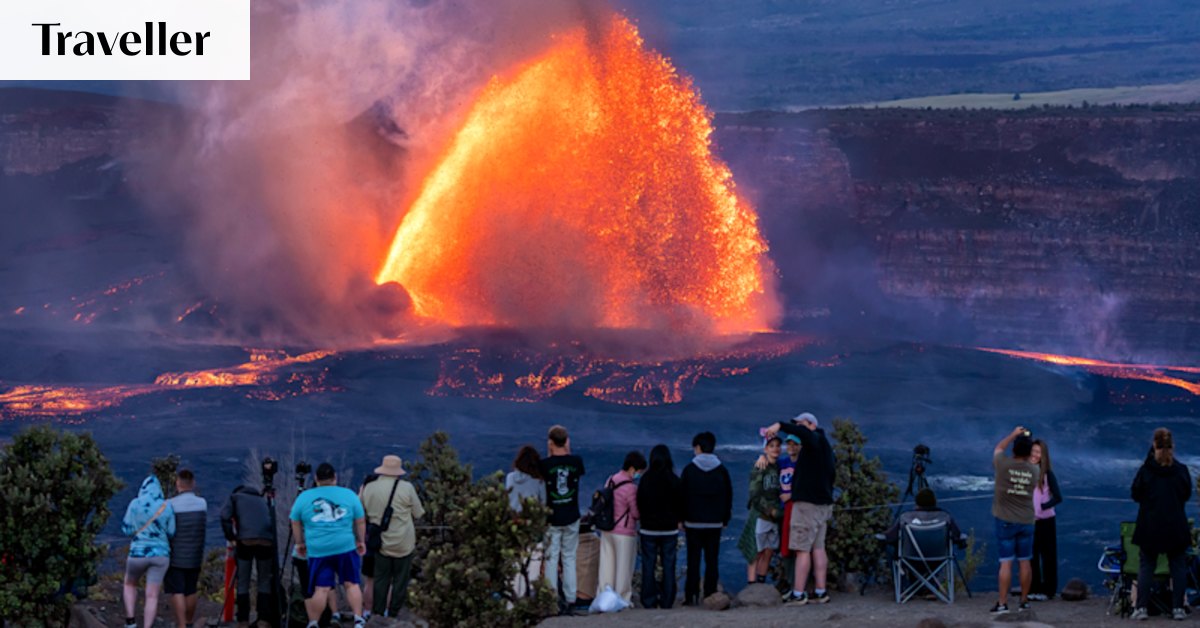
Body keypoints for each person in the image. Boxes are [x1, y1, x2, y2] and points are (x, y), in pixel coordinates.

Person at [765, 412, 835, 606]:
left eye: (800, 424)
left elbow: (803, 434)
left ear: (811, 425)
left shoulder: (813, 441)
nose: (797, 427)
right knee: (818, 548)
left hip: (807, 505)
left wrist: (780, 424)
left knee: (802, 549)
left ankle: (798, 593)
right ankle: (820, 592)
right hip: (823, 504)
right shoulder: (825, 446)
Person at [289, 462, 368, 628]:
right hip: (345, 546)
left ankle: (313, 622)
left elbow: (295, 521)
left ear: (316, 479)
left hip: (318, 549)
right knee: (351, 584)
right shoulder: (348, 495)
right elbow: (360, 520)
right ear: (335, 478)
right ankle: (358, 619)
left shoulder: (304, 497)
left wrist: (299, 543)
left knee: (321, 588)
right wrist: (360, 540)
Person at [1130, 428, 1192, 622]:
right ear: (1172, 446)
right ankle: (1178, 608)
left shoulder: (1146, 470)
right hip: (1175, 525)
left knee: (1147, 566)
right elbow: (1186, 494)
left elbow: (1135, 494)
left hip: (1150, 526)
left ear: (1153, 445)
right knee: (1178, 567)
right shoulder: (1181, 470)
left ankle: (1141, 608)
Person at [360, 455, 425, 618]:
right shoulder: (407, 488)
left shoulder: (369, 488)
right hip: (404, 542)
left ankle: (377, 613)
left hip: (381, 543)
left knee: (380, 579)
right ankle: (393, 613)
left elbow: (360, 512)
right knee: (400, 581)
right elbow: (418, 513)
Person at [989, 426, 1041, 615]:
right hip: (1027, 520)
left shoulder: (1003, 464)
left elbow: (998, 448)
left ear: (1014, 449)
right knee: (1025, 561)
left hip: (1005, 519)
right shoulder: (1034, 470)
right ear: (1029, 452)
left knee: (1006, 562)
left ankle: (1003, 604)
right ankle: (1024, 601)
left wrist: (1012, 434)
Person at [680, 431, 733, 606]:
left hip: (693, 522)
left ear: (698, 447)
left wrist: (681, 518)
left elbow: (683, 496)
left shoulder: (689, 470)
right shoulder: (721, 470)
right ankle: (710, 593)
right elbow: (728, 496)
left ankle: (691, 596)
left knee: (692, 560)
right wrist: (725, 519)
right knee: (712, 560)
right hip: (715, 523)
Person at [538, 425, 586, 614]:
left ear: (550, 442)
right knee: (569, 558)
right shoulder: (576, 461)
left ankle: (551, 599)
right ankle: (571, 599)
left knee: (551, 559)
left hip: (552, 516)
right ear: (566, 441)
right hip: (571, 515)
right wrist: (567, 450)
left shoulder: (544, 465)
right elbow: (577, 472)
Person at [121, 476, 176, 628]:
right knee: (152, 595)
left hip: (137, 553)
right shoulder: (166, 506)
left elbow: (126, 529)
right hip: (160, 555)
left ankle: (130, 622)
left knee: (130, 584)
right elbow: (171, 532)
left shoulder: (135, 504)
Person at [220, 483, 275, 627]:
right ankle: (263, 619)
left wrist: (231, 538)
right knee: (264, 580)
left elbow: (224, 516)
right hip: (266, 541)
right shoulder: (262, 500)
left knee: (243, 580)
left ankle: (243, 620)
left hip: (246, 540)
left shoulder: (235, 498)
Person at [596, 450, 647, 605]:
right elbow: (635, 512)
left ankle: (604, 596)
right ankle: (622, 598)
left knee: (606, 566)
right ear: (632, 469)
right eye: (639, 471)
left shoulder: (611, 480)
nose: (639, 475)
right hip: (625, 532)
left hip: (607, 529)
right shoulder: (631, 488)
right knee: (623, 569)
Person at [636, 444, 683, 609]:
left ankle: (648, 600)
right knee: (669, 564)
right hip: (669, 529)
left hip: (648, 528)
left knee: (648, 564)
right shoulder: (674, 480)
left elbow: (640, 502)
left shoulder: (645, 479)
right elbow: (680, 504)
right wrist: (679, 519)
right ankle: (667, 600)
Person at [166, 470, 207, 628]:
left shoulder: (170, 504)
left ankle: (181, 625)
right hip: (195, 554)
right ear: (193, 483)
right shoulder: (202, 504)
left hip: (176, 556)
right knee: (191, 589)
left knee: (177, 591)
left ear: (178, 483)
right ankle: (189, 622)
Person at [739, 436, 783, 585]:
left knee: (769, 551)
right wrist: (769, 510)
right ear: (766, 449)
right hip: (761, 515)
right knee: (755, 551)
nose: (775, 448)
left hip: (775, 516)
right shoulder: (760, 467)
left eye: (778, 445)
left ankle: (761, 581)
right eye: (771, 446)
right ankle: (751, 584)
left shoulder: (780, 467)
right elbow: (754, 494)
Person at [506, 445, 547, 599]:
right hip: (533, 528)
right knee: (533, 567)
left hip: (514, 526)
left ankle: (513, 599)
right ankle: (529, 598)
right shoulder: (539, 482)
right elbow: (544, 505)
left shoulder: (509, 478)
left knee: (515, 566)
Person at [1028, 439, 1062, 601]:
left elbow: (1058, 497)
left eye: (1038, 452)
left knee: (1048, 555)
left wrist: (1044, 505)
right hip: (1029, 521)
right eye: (1033, 451)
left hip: (1046, 521)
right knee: (1031, 555)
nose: (1034, 455)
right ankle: (1034, 587)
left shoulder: (1047, 474)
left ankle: (1049, 589)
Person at [881, 488, 966, 545]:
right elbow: (957, 536)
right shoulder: (945, 517)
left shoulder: (906, 517)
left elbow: (890, 536)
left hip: (911, 558)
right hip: (939, 560)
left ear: (917, 502)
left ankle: (899, 571)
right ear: (934, 502)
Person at [357, 472, 380, 619]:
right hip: (386, 540)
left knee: (369, 581)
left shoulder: (361, 501)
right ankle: (384, 611)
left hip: (368, 541)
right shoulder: (382, 499)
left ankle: (367, 611)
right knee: (387, 578)